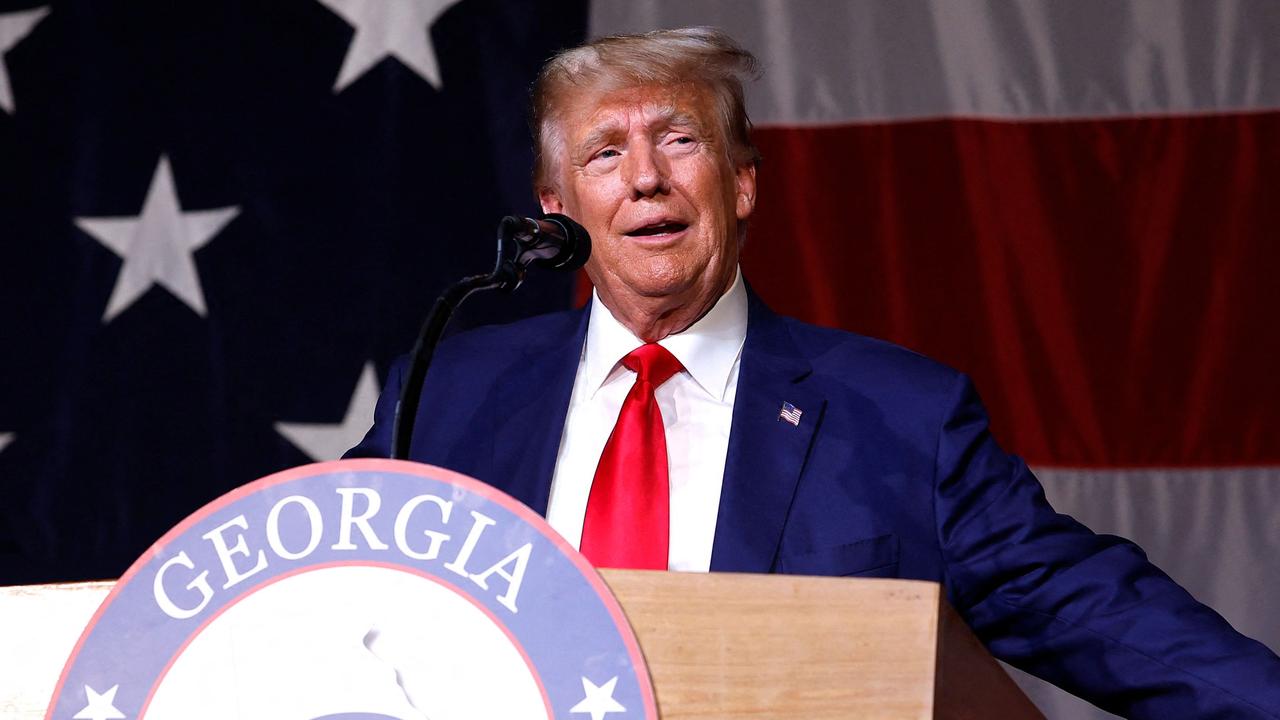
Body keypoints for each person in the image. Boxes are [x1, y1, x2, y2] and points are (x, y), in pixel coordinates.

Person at [349, 27, 1280, 718]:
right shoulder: (448, 395)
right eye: (604, 154)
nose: (645, 180)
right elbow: (311, 584)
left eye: (678, 141)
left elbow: (1093, 610)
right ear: (555, 210)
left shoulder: (900, 416)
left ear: (742, 182)